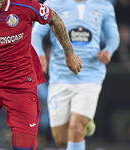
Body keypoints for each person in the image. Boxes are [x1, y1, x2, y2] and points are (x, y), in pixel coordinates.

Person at [0, 0, 82, 150]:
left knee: (23, 147)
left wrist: (69, 53)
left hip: (21, 85)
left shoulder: (24, 4)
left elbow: (53, 18)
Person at [31, 0, 120, 149]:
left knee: (77, 129)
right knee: (61, 139)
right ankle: (88, 121)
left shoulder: (104, 5)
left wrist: (108, 51)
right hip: (60, 77)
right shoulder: (53, 3)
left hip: (90, 75)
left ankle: (84, 120)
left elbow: (113, 37)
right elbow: (36, 34)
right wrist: (39, 55)